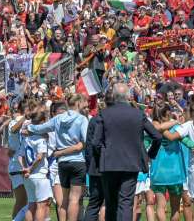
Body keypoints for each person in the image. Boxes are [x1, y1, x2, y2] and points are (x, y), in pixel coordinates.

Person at [91, 84, 163, 221]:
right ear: (129, 97)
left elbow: (95, 142)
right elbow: (157, 136)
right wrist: (150, 155)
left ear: (113, 96)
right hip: (131, 163)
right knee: (126, 203)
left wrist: (102, 157)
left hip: (109, 164)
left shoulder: (104, 114)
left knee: (111, 202)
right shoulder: (138, 114)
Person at [25, 94, 89, 221]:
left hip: (62, 163)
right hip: (77, 161)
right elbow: (87, 140)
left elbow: (40, 128)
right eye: (83, 103)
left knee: (64, 200)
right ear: (77, 104)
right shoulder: (82, 119)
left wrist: (29, 127)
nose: (84, 105)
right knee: (74, 199)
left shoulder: (58, 118)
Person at [18, 104, 52, 221]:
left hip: (28, 176)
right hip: (39, 175)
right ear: (42, 122)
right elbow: (39, 157)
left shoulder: (27, 138)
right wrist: (30, 169)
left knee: (31, 204)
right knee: (41, 205)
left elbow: (20, 156)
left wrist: (24, 168)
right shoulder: (40, 138)